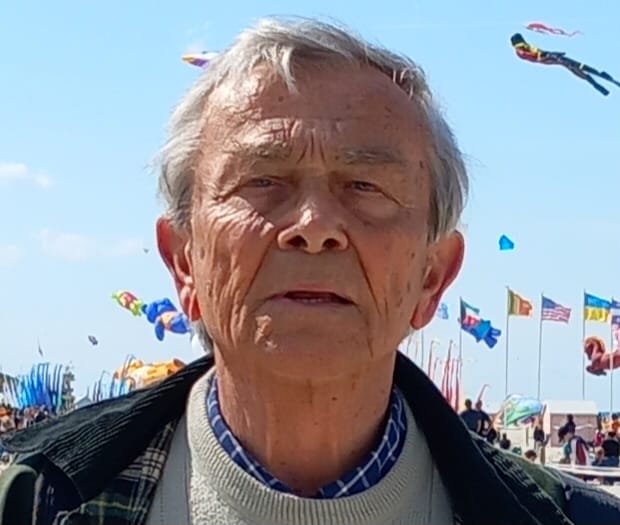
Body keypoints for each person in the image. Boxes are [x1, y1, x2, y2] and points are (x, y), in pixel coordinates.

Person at [1, 16, 620, 525]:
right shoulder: (33, 502)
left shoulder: (568, 518)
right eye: (263, 181)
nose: (315, 225)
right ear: (184, 262)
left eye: (365, 186)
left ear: (433, 277)